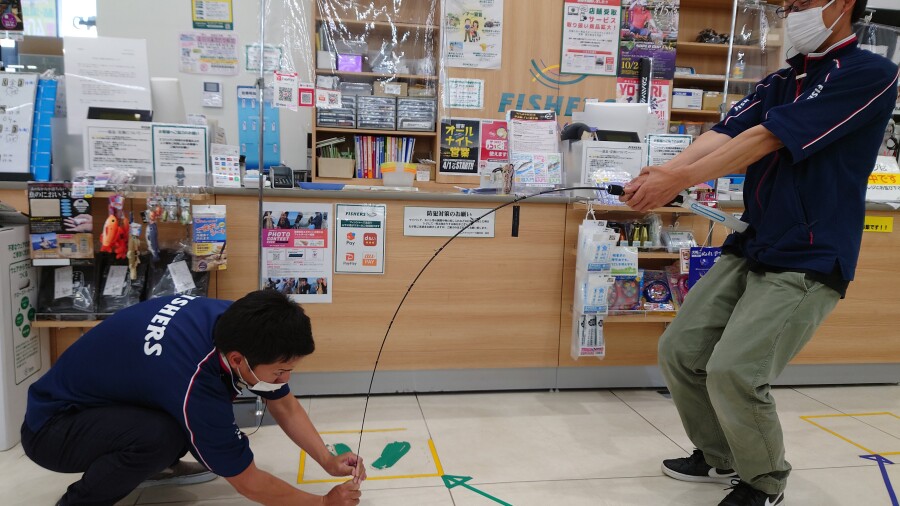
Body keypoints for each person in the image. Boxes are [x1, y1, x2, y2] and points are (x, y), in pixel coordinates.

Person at [620, 0, 898, 505]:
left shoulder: (871, 74)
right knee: (680, 351)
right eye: (786, 5)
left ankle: (762, 480)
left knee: (736, 371)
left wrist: (677, 179)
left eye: (801, 3)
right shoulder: (779, 82)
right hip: (755, 242)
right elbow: (723, 135)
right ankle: (719, 454)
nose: (791, 12)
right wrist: (657, 175)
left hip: (811, 253)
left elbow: (769, 137)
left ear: (843, 5)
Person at [21, 290, 366, 506]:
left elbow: (283, 402)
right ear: (236, 360)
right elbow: (247, 481)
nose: (284, 381)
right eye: (280, 372)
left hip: (101, 402)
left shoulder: (237, 324)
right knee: (162, 436)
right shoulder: (196, 382)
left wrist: (326, 458)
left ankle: (155, 462)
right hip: (52, 428)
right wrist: (321, 504)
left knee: (178, 423)